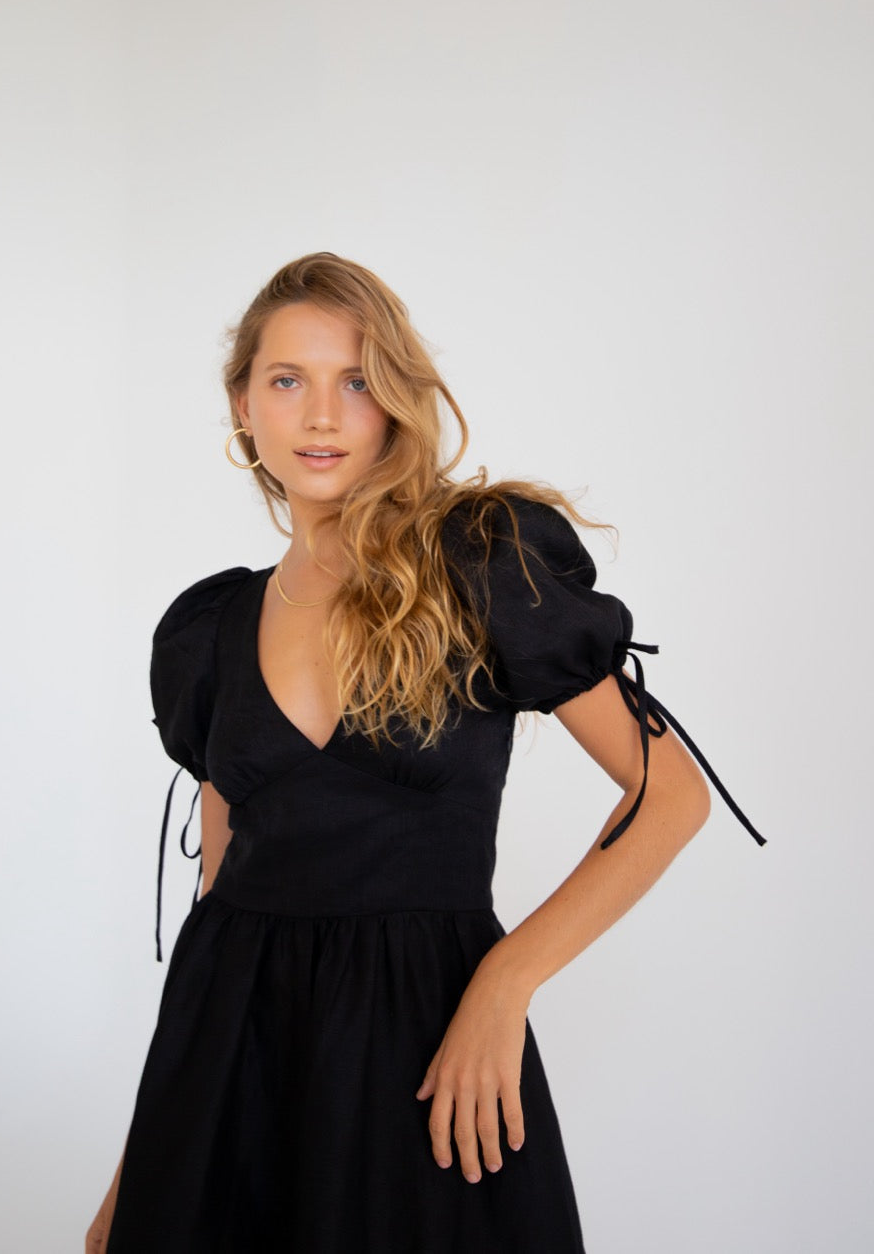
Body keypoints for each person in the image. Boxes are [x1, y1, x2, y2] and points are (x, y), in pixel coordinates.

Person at [87, 252, 765, 1253]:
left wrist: (505, 981)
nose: (323, 415)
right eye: (289, 380)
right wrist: (138, 1167)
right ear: (244, 405)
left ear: (395, 403)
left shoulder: (478, 562)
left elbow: (670, 796)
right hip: (234, 1069)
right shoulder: (208, 630)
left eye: (357, 382)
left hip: (431, 1048)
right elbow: (217, 895)